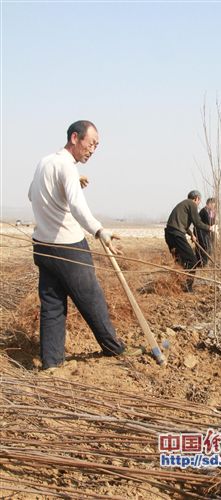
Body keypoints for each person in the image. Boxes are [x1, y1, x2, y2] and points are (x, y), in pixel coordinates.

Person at [28, 120, 126, 370]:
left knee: (52, 303)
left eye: (97, 146)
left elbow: (32, 195)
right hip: (68, 246)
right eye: (91, 143)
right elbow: (77, 206)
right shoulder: (67, 168)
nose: (93, 150)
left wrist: (68, 183)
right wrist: (99, 230)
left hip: (42, 246)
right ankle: (114, 348)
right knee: (91, 299)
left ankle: (52, 362)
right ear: (75, 138)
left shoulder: (45, 162)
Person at [164, 190, 215, 292]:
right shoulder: (191, 204)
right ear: (196, 198)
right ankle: (187, 288)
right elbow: (197, 223)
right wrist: (210, 228)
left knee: (180, 261)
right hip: (177, 235)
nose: (198, 204)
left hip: (169, 234)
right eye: (199, 201)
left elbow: (183, 224)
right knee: (192, 261)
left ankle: (177, 286)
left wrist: (191, 234)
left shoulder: (183, 204)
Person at [195, 197, 216, 267]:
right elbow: (207, 221)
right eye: (212, 204)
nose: (213, 206)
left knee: (209, 247)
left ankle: (203, 262)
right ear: (209, 204)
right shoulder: (204, 210)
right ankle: (203, 263)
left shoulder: (211, 211)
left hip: (208, 231)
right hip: (201, 232)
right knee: (205, 247)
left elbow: (212, 222)